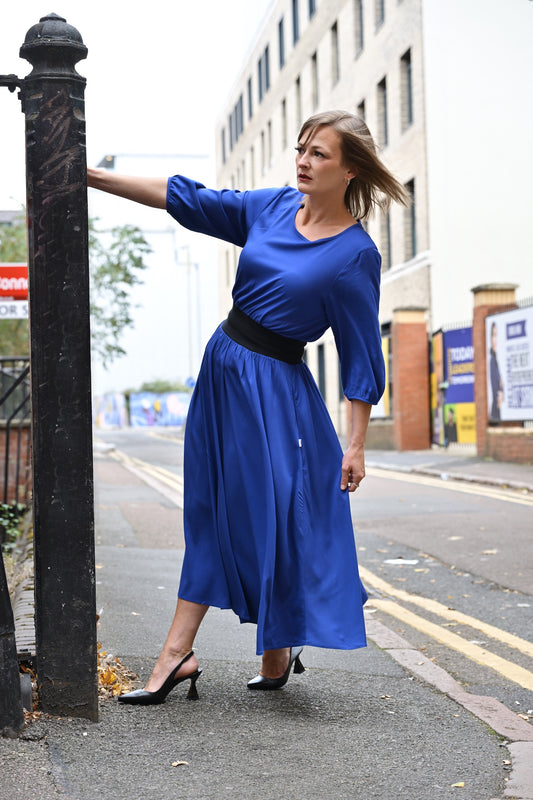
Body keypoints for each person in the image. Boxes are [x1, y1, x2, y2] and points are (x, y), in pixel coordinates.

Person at [87, 110, 408, 704]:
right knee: (213, 509)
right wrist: (95, 179)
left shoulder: (353, 254)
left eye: (319, 154)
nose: (303, 161)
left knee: (275, 517)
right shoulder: (272, 207)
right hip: (224, 370)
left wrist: (356, 443)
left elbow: (363, 355)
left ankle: (195, 652)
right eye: (301, 149)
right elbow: (186, 197)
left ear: (351, 169)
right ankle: (242, 650)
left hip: (277, 395)